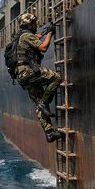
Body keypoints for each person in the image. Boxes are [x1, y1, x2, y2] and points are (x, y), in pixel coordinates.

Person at [15, 13, 63, 142]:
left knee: (38, 102)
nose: (35, 25)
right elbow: (43, 47)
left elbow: (33, 41)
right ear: (29, 24)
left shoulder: (21, 36)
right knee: (56, 78)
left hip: (22, 76)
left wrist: (42, 34)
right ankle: (44, 103)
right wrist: (50, 33)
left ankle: (49, 132)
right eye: (34, 23)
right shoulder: (27, 36)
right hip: (28, 72)